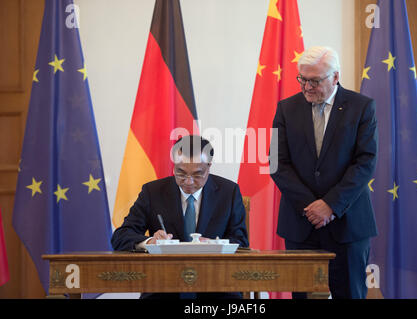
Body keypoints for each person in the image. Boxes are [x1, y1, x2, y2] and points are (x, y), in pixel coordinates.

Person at [270, 46, 378, 299]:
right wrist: (312, 206)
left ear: (335, 77)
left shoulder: (361, 107)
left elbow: (365, 162)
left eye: (315, 81)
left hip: (348, 223)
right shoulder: (286, 108)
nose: (307, 87)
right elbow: (276, 163)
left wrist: (330, 205)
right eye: (302, 79)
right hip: (301, 223)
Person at [111, 135, 248, 299]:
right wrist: (150, 242)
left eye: (197, 175)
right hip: (164, 287)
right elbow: (120, 236)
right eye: (181, 173)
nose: (188, 182)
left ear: (209, 167)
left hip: (217, 286)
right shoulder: (153, 192)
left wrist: (214, 244)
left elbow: (241, 242)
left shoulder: (229, 192)